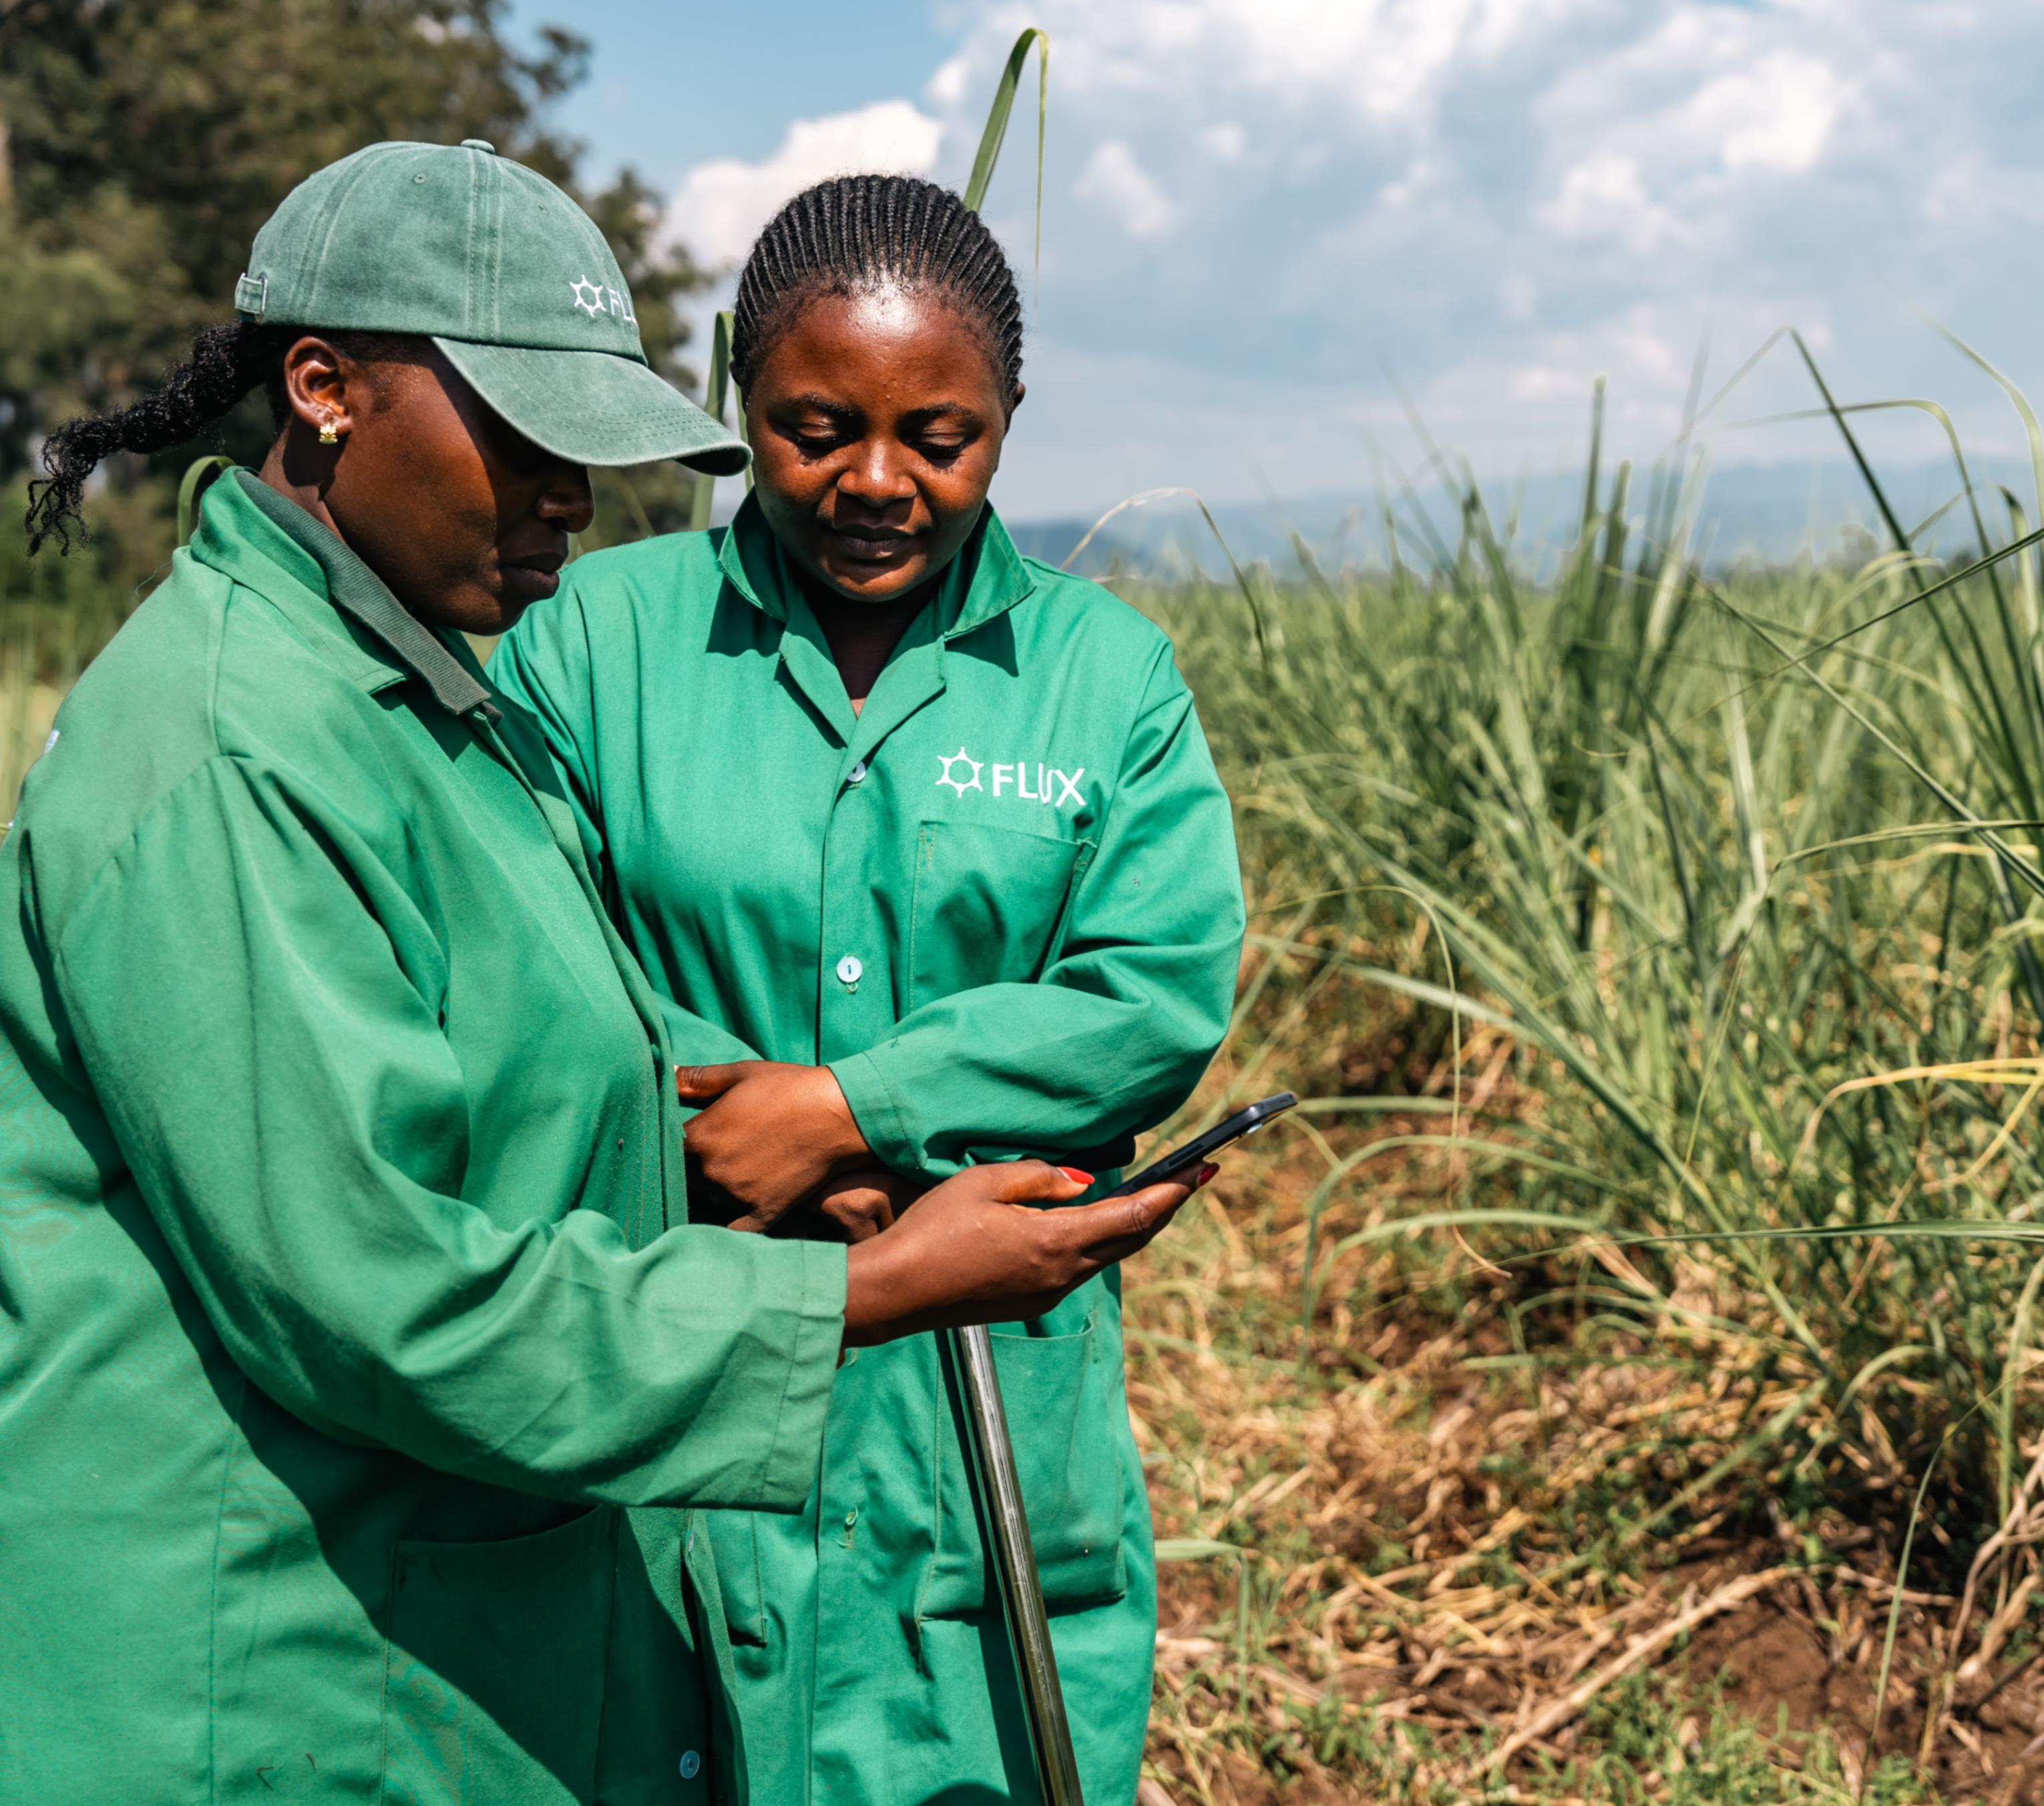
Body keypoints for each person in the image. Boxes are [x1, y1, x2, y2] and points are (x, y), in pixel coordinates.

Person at [0, 140, 1205, 1806]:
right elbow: (382, 1293)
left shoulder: (425, 709)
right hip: (263, 1665)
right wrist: (866, 1281)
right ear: (325, 386)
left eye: (592, 452)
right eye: (524, 443)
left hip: (459, 1588)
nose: (570, 496)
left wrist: (819, 1125)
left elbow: (582, 1026)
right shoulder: (229, 746)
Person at [492, 174, 1246, 1803]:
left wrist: (844, 1111)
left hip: (983, 1377)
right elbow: (536, 949)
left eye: (944, 437)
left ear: (1010, 419)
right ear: (734, 391)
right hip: (681, 1336)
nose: (878, 482)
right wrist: (714, 1123)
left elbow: (1155, 995)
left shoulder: (1106, 679)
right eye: (816, 426)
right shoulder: (586, 640)